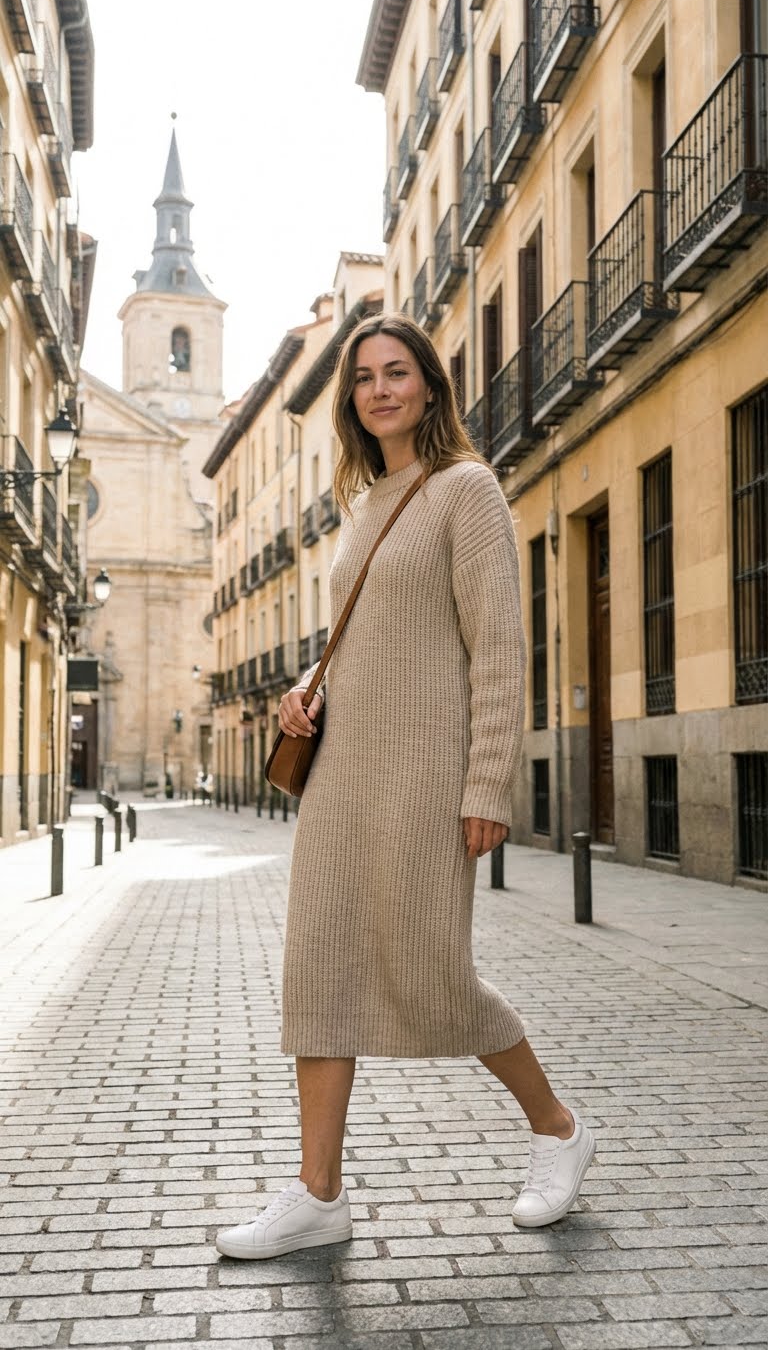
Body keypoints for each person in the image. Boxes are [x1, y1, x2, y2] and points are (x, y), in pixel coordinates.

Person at [216, 313, 595, 1261]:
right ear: (352, 401)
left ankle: (558, 1129)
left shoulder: (467, 491)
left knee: (434, 973)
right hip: (343, 776)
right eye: (363, 378)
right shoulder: (363, 505)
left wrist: (489, 784)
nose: (380, 388)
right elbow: (370, 635)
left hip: (429, 776)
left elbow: (499, 649)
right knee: (319, 965)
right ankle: (318, 1193)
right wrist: (310, 688)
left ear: (429, 385)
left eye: (397, 372)